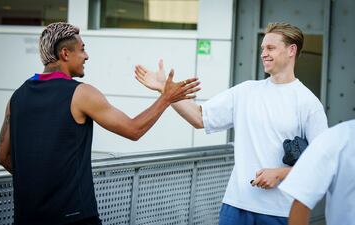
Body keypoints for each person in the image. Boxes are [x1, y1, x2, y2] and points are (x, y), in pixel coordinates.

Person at [0, 22, 200, 225]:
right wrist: (166, 98)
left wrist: (39, 181)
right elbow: (134, 129)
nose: (87, 56)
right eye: (82, 49)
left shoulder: (17, 97)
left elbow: (3, 157)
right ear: (65, 54)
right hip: (74, 218)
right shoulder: (81, 93)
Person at [134, 22, 328, 225]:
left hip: (281, 212)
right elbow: (200, 118)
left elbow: (321, 164)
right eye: (263, 48)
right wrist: (165, 90)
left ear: (291, 50)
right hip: (235, 206)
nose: (263, 53)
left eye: (270, 48)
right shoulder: (246, 91)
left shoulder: (308, 103)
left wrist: (280, 173)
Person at [279, 120, 355, 225]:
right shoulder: (339, 137)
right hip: (257, 203)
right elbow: (301, 203)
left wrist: (280, 173)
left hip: (277, 206)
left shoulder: (338, 137)